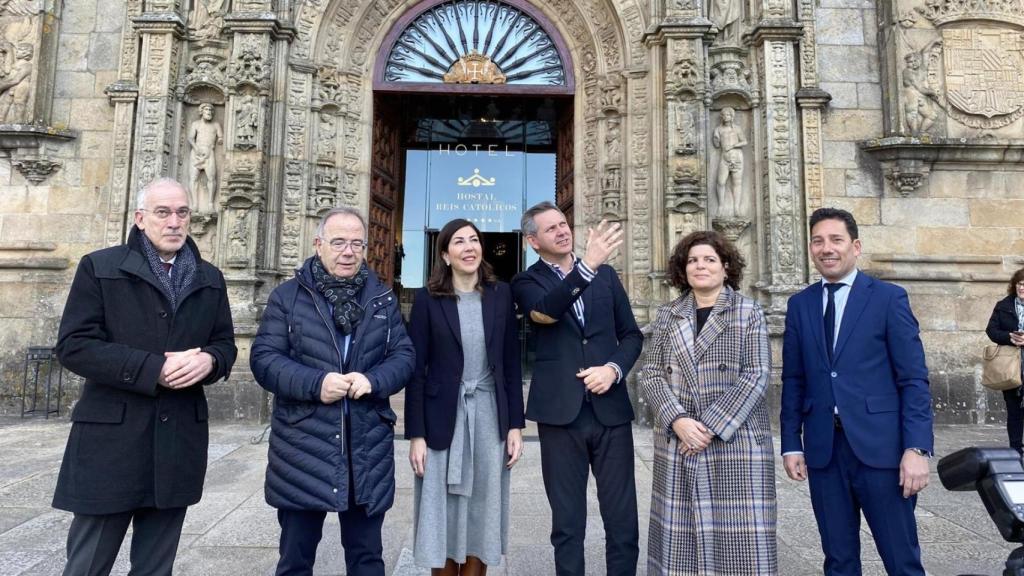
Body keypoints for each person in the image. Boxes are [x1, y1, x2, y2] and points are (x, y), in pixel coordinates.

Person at [53, 177, 237, 576]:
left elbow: (225, 343)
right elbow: (74, 345)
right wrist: (152, 369)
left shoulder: (209, 277)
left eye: (182, 213)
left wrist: (210, 361)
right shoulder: (100, 267)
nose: (174, 222)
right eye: (163, 212)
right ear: (140, 218)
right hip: (111, 442)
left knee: (156, 567)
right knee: (88, 563)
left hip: (177, 444)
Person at [250, 206, 414, 576]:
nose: (349, 251)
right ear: (318, 244)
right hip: (302, 448)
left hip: (365, 447)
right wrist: (315, 384)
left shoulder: (381, 299)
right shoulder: (287, 297)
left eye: (357, 243)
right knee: (295, 559)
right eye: (339, 242)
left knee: (367, 558)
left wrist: (373, 381)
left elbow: (404, 355)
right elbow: (264, 359)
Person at [781, 207, 933, 576]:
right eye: (818, 241)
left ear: (856, 246)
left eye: (836, 240)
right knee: (839, 561)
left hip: (882, 452)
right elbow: (794, 379)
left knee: (902, 560)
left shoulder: (887, 298)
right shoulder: (800, 305)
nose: (826, 248)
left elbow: (913, 379)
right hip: (824, 453)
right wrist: (791, 442)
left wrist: (916, 449)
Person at [512, 201, 643, 576]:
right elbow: (546, 312)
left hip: (610, 411)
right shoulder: (526, 282)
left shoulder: (607, 276)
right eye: (551, 228)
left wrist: (614, 370)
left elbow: (631, 335)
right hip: (560, 414)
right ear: (533, 241)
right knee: (568, 523)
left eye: (564, 224)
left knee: (622, 520)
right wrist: (587, 267)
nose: (562, 230)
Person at [639, 230, 776, 575]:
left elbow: (756, 375)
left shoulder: (749, 312)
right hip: (679, 439)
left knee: (738, 543)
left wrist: (709, 427)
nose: (700, 266)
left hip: (734, 442)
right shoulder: (669, 314)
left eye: (709, 259)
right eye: (692, 260)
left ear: (726, 267)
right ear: (682, 270)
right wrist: (679, 422)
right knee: (680, 539)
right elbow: (652, 373)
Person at [406, 218, 526, 576]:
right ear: (445, 254)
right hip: (441, 417)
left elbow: (509, 364)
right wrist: (416, 434)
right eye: (459, 242)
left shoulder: (501, 294)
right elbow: (416, 369)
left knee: (482, 507)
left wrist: (516, 426)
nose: (469, 247)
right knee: (440, 509)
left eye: (474, 240)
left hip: (489, 416)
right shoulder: (428, 299)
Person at [985, 267, 1024, 454]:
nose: (1022, 288)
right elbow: (991, 330)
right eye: (1020, 284)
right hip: (1011, 366)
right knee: (1014, 411)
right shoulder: (1004, 305)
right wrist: (1010, 337)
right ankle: (1016, 450)